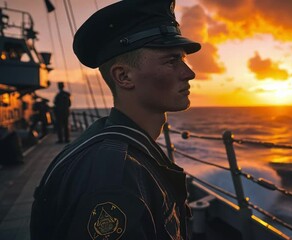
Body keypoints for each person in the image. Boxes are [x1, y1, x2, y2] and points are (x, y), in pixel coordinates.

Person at [30, 0, 201, 239]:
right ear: (123, 76)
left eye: (183, 60)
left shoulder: (124, 151)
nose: (189, 73)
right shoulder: (115, 177)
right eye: (172, 61)